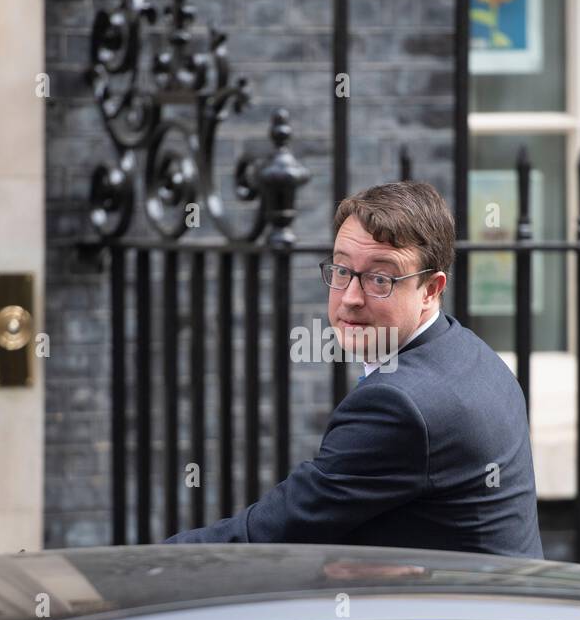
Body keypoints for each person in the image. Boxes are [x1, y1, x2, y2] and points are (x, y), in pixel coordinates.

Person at [165, 181, 542, 558]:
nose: (350, 298)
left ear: (430, 289)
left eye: (381, 278)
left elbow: (275, 531)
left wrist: (147, 566)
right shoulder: (468, 352)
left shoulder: (400, 404)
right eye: (342, 270)